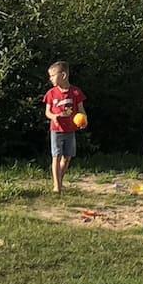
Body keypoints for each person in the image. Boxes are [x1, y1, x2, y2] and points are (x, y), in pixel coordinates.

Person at [41, 61, 87, 194]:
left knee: (67, 157)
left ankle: (59, 179)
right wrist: (54, 117)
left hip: (70, 130)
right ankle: (57, 186)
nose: (50, 79)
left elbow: (81, 110)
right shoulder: (51, 93)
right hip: (56, 130)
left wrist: (84, 120)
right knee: (56, 156)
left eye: (52, 75)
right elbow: (47, 112)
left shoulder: (76, 92)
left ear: (63, 75)